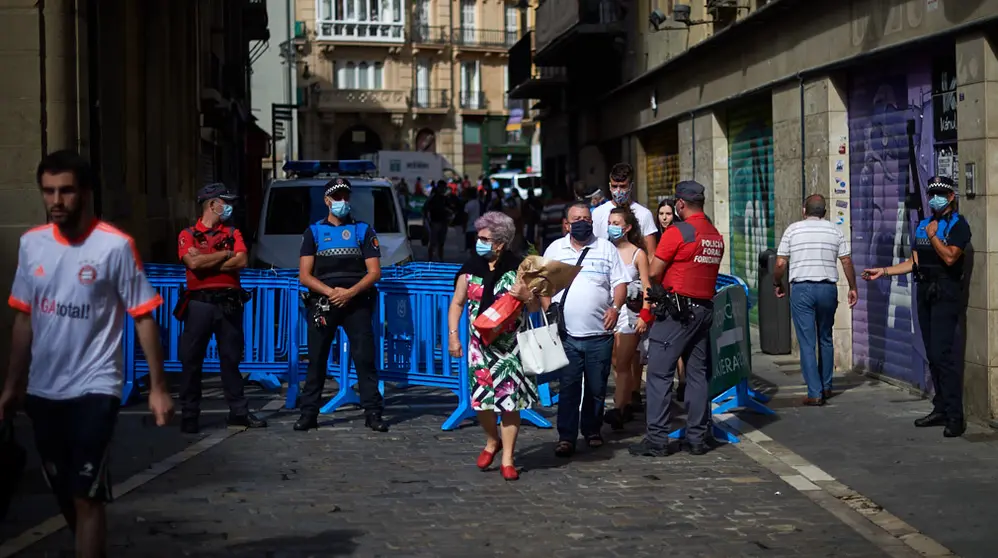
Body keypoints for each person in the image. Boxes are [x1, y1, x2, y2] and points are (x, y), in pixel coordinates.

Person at [0, 150, 174, 557]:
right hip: (43, 391)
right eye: (48, 192)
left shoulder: (114, 247)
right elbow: (23, 319)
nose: (56, 201)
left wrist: (158, 387)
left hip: (96, 388)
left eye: (66, 191)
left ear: (86, 193)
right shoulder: (31, 246)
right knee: (64, 489)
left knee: (86, 494)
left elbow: (144, 317)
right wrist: (12, 385)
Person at [863, 176, 970, 438]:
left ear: (951, 197)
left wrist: (934, 237)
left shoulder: (958, 225)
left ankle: (955, 416)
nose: (935, 198)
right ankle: (941, 407)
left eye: (941, 193)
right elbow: (914, 262)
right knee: (932, 355)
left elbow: (950, 256)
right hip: (924, 293)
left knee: (942, 355)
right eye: (932, 193)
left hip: (946, 293)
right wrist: (884, 271)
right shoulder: (922, 225)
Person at [630, 180, 724, 458]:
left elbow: (655, 271)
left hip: (677, 311)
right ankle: (697, 437)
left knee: (659, 373)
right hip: (704, 309)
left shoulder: (677, 231)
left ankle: (657, 439)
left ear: (680, 204)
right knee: (697, 374)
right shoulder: (714, 234)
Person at [448, 212, 541, 481]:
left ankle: (508, 458)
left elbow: (534, 305)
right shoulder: (469, 269)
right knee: (481, 404)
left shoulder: (520, 268)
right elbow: (457, 303)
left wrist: (527, 297)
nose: (479, 242)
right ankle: (492, 441)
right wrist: (454, 336)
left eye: (485, 238)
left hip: (511, 347)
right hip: (479, 346)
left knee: (510, 404)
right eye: (478, 237)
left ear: (500, 243)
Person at [295, 177, 388, 433]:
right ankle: (309, 414)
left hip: (356, 302)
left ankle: (373, 413)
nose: (342, 202)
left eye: (346, 197)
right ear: (327, 201)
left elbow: (374, 272)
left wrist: (349, 293)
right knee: (316, 360)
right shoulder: (313, 232)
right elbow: (304, 275)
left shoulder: (363, 231)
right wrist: (332, 292)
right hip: (324, 303)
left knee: (364, 359)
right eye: (337, 198)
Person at [176, 183, 268, 434]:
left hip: (228, 303)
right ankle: (189, 414)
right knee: (191, 361)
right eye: (225, 202)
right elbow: (192, 263)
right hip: (199, 305)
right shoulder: (188, 234)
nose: (229, 207)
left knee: (231, 360)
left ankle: (238, 412)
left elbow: (242, 260)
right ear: (212, 204)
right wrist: (225, 255)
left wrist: (211, 261)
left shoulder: (232, 232)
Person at [542, 202, 629, 458]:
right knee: (568, 387)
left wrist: (615, 308)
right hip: (567, 335)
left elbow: (620, 283)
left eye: (586, 218)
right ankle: (566, 437)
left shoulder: (606, 249)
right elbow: (542, 283)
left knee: (596, 386)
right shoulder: (555, 249)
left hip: (600, 334)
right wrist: (549, 310)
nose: (582, 222)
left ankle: (592, 430)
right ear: (567, 224)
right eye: (576, 218)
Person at [774, 194, 858, 406]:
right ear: (825, 212)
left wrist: (778, 283)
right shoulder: (834, 230)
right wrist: (852, 286)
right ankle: (827, 387)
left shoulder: (793, 230)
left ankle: (815, 392)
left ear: (804, 210)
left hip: (802, 289)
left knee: (807, 343)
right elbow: (846, 261)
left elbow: (780, 263)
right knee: (825, 338)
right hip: (827, 289)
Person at [602, 207, 652, 431]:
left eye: (617, 223)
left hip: (630, 314)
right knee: (614, 361)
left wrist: (645, 314)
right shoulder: (603, 250)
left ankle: (619, 408)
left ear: (628, 227)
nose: (612, 227)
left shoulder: (637, 254)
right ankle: (627, 400)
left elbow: (647, 287)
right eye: (610, 222)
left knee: (622, 362)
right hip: (607, 312)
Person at [650, 197, 685, 402]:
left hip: (674, 293)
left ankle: (683, 381)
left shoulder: (676, 234)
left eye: (668, 214)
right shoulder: (656, 236)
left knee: (678, 342)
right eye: (661, 214)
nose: (664, 218)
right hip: (660, 292)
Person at [592, 163, 659, 264]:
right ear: (610, 186)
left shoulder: (644, 214)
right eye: (614, 186)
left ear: (631, 186)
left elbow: (651, 254)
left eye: (623, 186)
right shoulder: (598, 213)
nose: (618, 191)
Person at [423, 184, 451, 261]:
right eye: (442, 188)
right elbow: (425, 209)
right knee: (433, 242)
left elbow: (450, 208)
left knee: (440, 243)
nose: (444, 189)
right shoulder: (433, 198)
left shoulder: (444, 198)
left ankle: (439, 259)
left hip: (442, 222)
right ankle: (431, 259)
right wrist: (427, 221)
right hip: (435, 222)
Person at [463, 188, 484, 253]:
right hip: (479, 229)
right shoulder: (480, 203)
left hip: (470, 228)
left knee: (470, 248)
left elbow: (465, 217)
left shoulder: (468, 205)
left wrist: (464, 227)